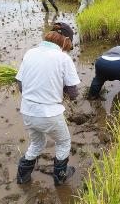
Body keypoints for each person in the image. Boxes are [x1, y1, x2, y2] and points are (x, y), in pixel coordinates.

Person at [16, 22, 80, 186]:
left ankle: (22, 176)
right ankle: (60, 176)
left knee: (37, 144)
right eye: (69, 44)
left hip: (28, 111)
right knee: (64, 142)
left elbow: (20, 84)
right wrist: (60, 91)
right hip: (50, 114)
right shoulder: (63, 58)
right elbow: (73, 94)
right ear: (66, 39)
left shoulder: (30, 52)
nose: (67, 48)